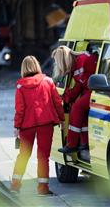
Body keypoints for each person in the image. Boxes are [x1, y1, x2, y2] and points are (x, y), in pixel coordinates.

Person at [10, 56, 65, 195]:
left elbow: (20, 109)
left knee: (23, 155)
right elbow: (57, 102)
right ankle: (43, 188)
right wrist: (62, 119)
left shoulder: (20, 86)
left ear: (23, 68)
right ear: (37, 66)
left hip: (26, 126)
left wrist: (16, 127)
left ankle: (15, 185)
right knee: (43, 156)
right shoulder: (48, 81)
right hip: (45, 123)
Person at [52, 45, 98, 154]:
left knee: (77, 107)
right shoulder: (76, 64)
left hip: (95, 90)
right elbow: (79, 85)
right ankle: (84, 142)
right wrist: (68, 96)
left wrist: (69, 95)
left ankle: (72, 144)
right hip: (90, 90)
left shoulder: (83, 60)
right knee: (78, 107)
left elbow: (84, 82)